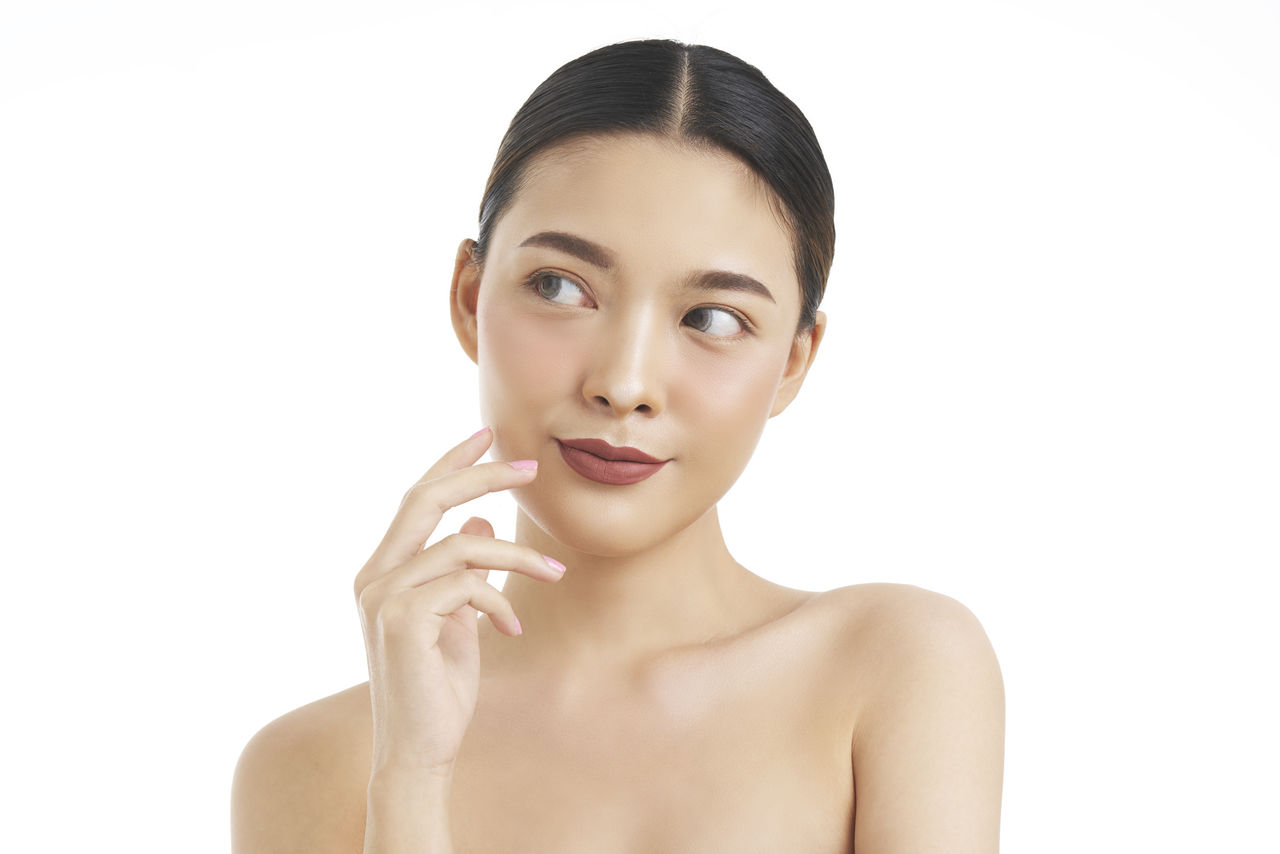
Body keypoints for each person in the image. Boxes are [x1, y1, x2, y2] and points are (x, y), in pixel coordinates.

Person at [231, 38, 1004, 853]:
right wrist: (413, 779)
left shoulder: (895, 667)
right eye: (561, 287)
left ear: (792, 363)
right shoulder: (312, 762)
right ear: (468, 297)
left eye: (711, 318)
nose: (624, 383)